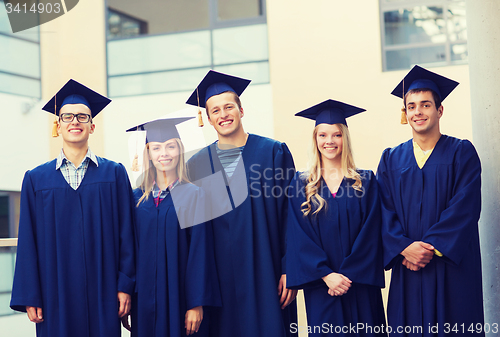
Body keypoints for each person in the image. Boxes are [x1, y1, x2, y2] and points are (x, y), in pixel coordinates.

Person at [10, 79, 136, 337]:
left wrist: (125, 286)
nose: (74, 121)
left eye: (82, 116)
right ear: (58, 125)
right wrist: (31, 294)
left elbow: (128, 234)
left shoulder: (114, 173)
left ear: (92, 125)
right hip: (54, 291)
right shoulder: (36, 179)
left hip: (105, 291)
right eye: (67, 116)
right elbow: (28, 242)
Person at [185, 70, 298, 337]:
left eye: (228, 107)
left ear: (241, 110)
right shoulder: (195, 166)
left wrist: (290, 270)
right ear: (208, 118)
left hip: (266, 274)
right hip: (218, 282)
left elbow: (291, 217)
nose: (223, 114)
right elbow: (189, 236)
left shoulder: (273, 152)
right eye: (215, 110)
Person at [377, 65, 484, 336]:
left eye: (425, 105)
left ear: (440, 110)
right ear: (405, 113)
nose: (418, 112)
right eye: (411, 106)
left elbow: (465, 208)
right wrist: (404, 247)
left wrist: (430, 247)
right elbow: (382, 211)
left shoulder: (462, 153)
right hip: (408, 269)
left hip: (451, 269)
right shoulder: (391, 159)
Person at [286, 100, 386, 336]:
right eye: (323, 135)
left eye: (336, 135)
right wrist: (327, 275)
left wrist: (347, 276)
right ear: (315, 139)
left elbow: (372, 232)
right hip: (322, 288)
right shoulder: (302, 185)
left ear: (345, 138)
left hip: (359, 285)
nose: (329, 141)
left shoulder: (365, 181)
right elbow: (298, 237)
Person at [125, 117, 221, 337]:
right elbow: (127, 251)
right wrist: (128, 294)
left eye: (170, 146)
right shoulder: (135, 199)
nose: (164, 154)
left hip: (181, 299)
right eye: (156, 148)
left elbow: (201, 253)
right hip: (144, 301)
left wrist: (196, 303)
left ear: (179, 150)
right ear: (148, 153)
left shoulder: (195, 195)